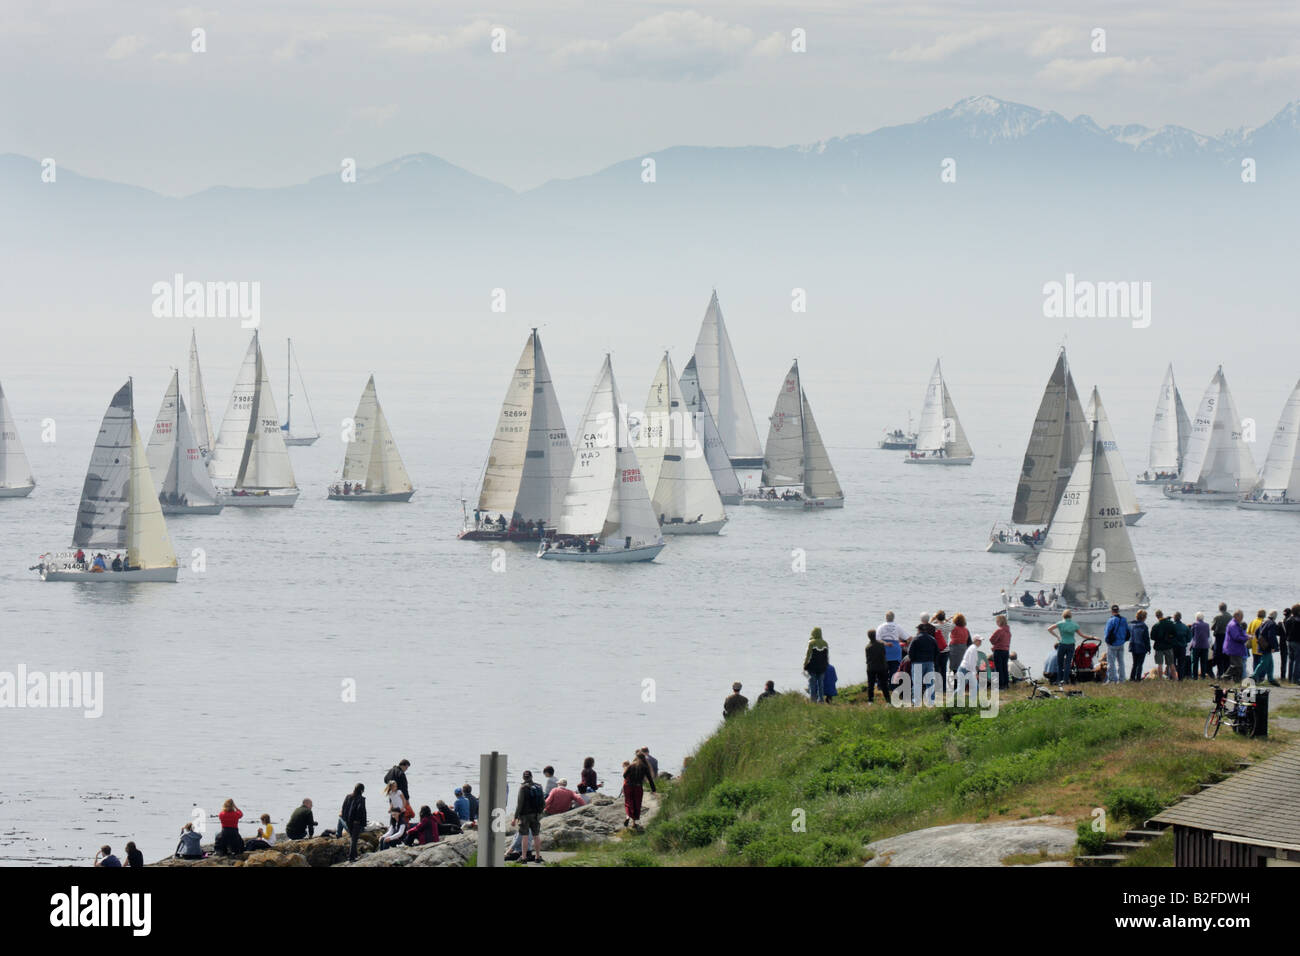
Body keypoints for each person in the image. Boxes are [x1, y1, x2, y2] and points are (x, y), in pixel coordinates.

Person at [1046, 611, 1091, 686]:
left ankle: (1059, 680)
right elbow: (1082, 635)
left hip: (1062, 644)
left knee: (1060, 663)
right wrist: (1092, 637)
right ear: (1070, 616)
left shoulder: (1060, 623)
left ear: (1063, 616)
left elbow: (1049, 629)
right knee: (1068, 663)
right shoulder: (1074, 625)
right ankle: (1066, 680)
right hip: (1071, 645)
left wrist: (1057, 636)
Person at [511, 770, 546, 863]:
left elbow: (519, 804)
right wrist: (539, 813)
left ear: (523, 778)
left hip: (525, 816)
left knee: (525, 836)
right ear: (531, 777)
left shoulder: (523, 788)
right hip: (536, 815)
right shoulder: (539, 786)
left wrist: (515, 817)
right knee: (536, 835)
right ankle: (538, 857)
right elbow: (543, 802)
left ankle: (523, 857)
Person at [908, 614, 939, 705]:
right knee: (930, 682)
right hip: (929, 663)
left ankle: (917, 701)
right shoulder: (932, 639)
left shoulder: (915, 639)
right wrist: (932, 660)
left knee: (917, 683)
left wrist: (912, 660)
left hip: (917, 663)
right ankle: (931, 701)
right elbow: (937, 651)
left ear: (919, 630)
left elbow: (910, 651)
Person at [622, 752, 656, 829]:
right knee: (636, 804)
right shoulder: (644, 767)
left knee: (628, 802)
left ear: (637, 758)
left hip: (628, 786)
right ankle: (634, 823)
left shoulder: (631, 765)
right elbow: (650, 780)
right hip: (638, 787)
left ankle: (627, 817)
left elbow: (624, 776)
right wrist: (654, 790)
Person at [1252, 611, 1281, 686]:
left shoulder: (1263, 621)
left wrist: (1261, 641)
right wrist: (1273, 647)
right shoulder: (1272, 623)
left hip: (1262, 645)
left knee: (1270, 663)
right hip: (1267, 647)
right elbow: (1271, 636)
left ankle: (1271, 678)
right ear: (1275, 616)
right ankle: (1254, 676)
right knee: (1264, 662)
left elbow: (1256, 632)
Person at [1103, 606, 1130, 684]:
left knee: (1111, 662)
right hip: (1121, 643)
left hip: (1112, 644)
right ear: (1118, 611)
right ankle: (1122, 679)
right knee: (1121, 662)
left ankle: (1112, 679)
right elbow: (1127, 631)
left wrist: (1107, 641)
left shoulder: (1111, 620)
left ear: (1112, 611)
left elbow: (1107, 632)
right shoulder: (1124, 620)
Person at [803, 627, 830, 702]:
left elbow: (808, 655)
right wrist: (826, 665)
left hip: (812, 667)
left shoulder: (811, 642)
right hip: (822, 667)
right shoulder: (825, 643)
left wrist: (804, 665)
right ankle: (821, 700)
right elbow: (827, 656)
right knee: (821, 684)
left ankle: (813, 700)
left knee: (812, 684)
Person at [877, 611, 906, 680]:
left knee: (883, 670)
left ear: (886, 618)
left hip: (884, 650)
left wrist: (885, 643)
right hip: (895, 650)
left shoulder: (881, 627)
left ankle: (881, 685)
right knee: (894, 669)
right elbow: (906, 637)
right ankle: (893, 686)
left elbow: (877, 639)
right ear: (893, 618)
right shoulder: (897, 626)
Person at [1223, 611, 1249, 683]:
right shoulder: (1233, 625)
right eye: (1241, 617)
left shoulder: (1236, 624)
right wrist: (1246, 638)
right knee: (1237, 666)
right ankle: (1226, 678)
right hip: (1233, 648)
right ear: (1237, 616)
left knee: (1237, 666)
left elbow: (1239, 634)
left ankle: (1235, 680)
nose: (1242, 618)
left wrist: (1246, 636)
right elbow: (1236, 637)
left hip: (1236, 648)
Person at [343, 783, 367, 863]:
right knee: (354, 840)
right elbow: (361, 811)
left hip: (348, 821)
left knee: (353, 838)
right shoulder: (361, 799)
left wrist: (345, 818)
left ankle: (355, 855)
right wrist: (362, 822)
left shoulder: (348, 796)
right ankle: (351, 857)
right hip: (356, 822)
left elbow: (344, 808)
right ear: (361, 790)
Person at [1150, 610, 1177, 680]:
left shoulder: (1156, 626)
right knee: (1171, 663)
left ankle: (1160, 680)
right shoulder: (1170, 624)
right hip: (1168, 646)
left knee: (1160, 664)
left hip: (1159, 647)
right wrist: (1170, 638)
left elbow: (1152, 637)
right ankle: (1175, 679)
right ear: (1162, 614)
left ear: (1156, 616)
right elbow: (1175, 634)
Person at [865, 630, 890, 703]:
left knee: (870, 685)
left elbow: (867, 659)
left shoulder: (868, 647)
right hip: (881, 667)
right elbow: (884, 654)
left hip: (871, 668)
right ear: (875, 635)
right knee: (884, 685)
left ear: (868, 637)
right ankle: (888, 701)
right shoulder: (881, 645)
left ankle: (870, 701)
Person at [989, 615, 1012, 689]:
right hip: (1006, 651)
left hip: (998, 651)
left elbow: (991, 640)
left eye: (997, 621)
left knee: (999, 668)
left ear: (1000, 622)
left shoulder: (999, 630)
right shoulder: (1008, 632)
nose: (996, 622)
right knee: (1004, 668)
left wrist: (995, 644)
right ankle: (1006, 683)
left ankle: (1000, 685)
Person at [947, 614, 970, 686]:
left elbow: (945, 626)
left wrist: (948, 620)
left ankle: (956, 686)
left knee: (955, 669)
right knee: (961, 667)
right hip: (963, 648)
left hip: (955, 648)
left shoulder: (954, 628)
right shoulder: (966, 629)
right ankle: (961, 685)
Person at [932, 611, 952, 686]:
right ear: (944, 617)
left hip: (937, 651)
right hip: (946, 650)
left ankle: (937, 686)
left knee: (936, 669)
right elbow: (951, 624)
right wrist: (946, 620)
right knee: (943, 669)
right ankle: (943, 687)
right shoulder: (948, 625)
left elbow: (928, 625)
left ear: (937, 618)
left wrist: (933, 618)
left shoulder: (934, 626)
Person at [1211, 603, 1231, 678]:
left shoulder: (1217, 617)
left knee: (1218, 656)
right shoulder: (1231, 617)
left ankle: (1219, 674)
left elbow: (1212, 627)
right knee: (1227, 657)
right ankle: (1227, 674)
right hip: (1228, 639)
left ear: (1219, 608)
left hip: (1219, 638)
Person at [1129, 609, 1150, 681]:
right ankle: (1138, 679)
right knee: (1140, 664)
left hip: (1133, 646)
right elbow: (1146, 638)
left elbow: (1128, 635)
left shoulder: (1131, 625)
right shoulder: (1144, 626)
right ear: (1144, 617)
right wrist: (1148, 648)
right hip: (1141, 647)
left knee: (1134, 663)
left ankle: (1132, 678)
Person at [1190, 612, 1212, 679]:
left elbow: (1192, 634)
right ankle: (1203, 676)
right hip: (1205, 645)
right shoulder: (1207, 625)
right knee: (1203, 662)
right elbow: (1208, 635)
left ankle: (1195, 676)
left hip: (1196, 645)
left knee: (1194, 662)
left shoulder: (1194, 624)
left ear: (1196, 618)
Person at [1172, 611, 1192, 680]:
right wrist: (1184, 642)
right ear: (1180, 618)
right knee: (1181, 663)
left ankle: (1173, 677)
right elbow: (1189, 638)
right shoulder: (1185, 627)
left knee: (1173, 663)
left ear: (1174, 618)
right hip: (1182, 647)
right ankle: (1181, 678)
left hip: (1173, 647)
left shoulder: (1172, 626)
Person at [1287, 604, 1300, 685]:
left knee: (1291, 660)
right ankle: (1296, 678)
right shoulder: (1298, 620)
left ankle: (1290, 678)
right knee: (1297, 660)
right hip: (1297, 642)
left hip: (1289, 641)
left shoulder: (1289, 619)